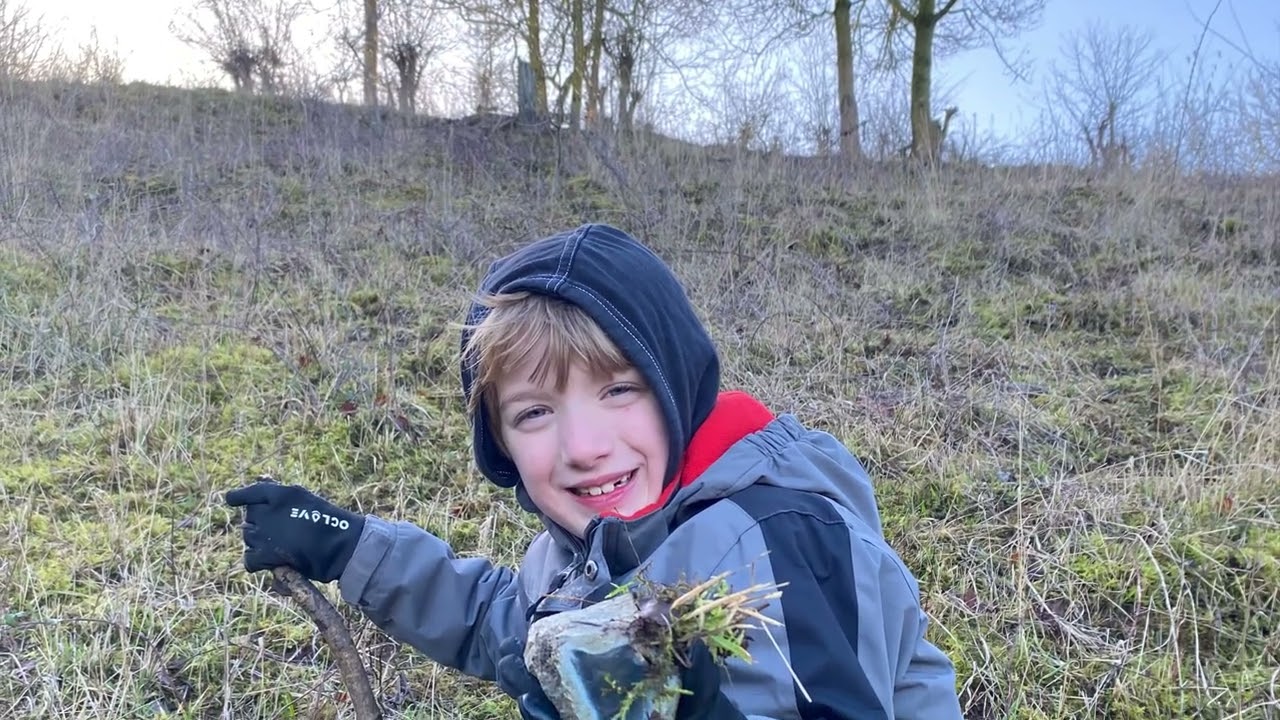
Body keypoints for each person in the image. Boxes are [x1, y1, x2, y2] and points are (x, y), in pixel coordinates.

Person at [226, 223, 964, 718]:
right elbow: (501, 623)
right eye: (534, 413)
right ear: (501, 445)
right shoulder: (581, 551)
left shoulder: (778, 538)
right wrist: (352, 546)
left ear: (677, 392)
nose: (583, 446)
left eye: (618, 391)